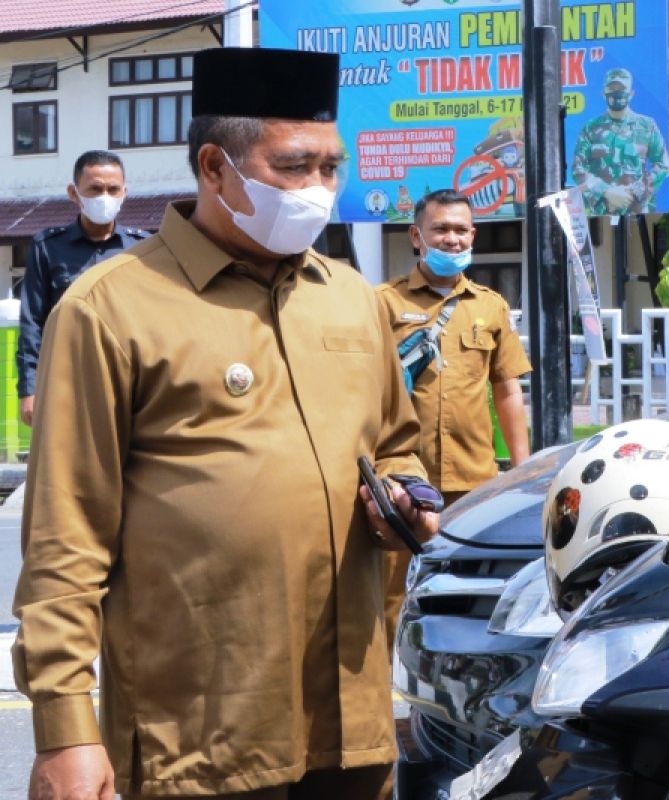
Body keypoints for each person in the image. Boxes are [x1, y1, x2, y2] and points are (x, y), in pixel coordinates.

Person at [13, 47, 438, 800]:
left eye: (330, 169)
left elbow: (396, 445)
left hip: (352, 724)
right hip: (199, 742)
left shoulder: (350, 298)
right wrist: (65, 731)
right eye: (295, 167)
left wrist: (404, 497)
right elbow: (64, 536)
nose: (318, 190)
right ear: (215, 167)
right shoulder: (109, 308)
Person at [376, 189, 532, 505]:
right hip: (402, 478)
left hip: (474, 480)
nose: (452, 239)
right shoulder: (383, 303)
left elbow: (507, 391)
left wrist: (522, 472)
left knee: (470, 556)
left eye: (461, 230)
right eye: (441, 229)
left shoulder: (491, 306)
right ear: (416, 237)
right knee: (403, 556)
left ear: (472, 235)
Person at [16, 150, 148, 425]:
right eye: (95, 189)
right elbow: (32, 323)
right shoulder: (48, 246)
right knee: (66, 462)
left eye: (113, 189)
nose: (105, 197)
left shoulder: (143, 248)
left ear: (125, 192)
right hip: (66, 377)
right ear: (74, 193)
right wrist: (29, 389)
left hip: (127, 380)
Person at [571, 67, 669, 216]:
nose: (616, 93)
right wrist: (607, 191)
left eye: (621, 89)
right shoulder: (590, 129)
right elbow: (578, 170)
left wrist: (633, 192)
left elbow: (662, 165)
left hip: (637, 213)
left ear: (631, 94)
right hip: (600, 215)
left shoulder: (647, 126)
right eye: (612, 89)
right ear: (603, 94)